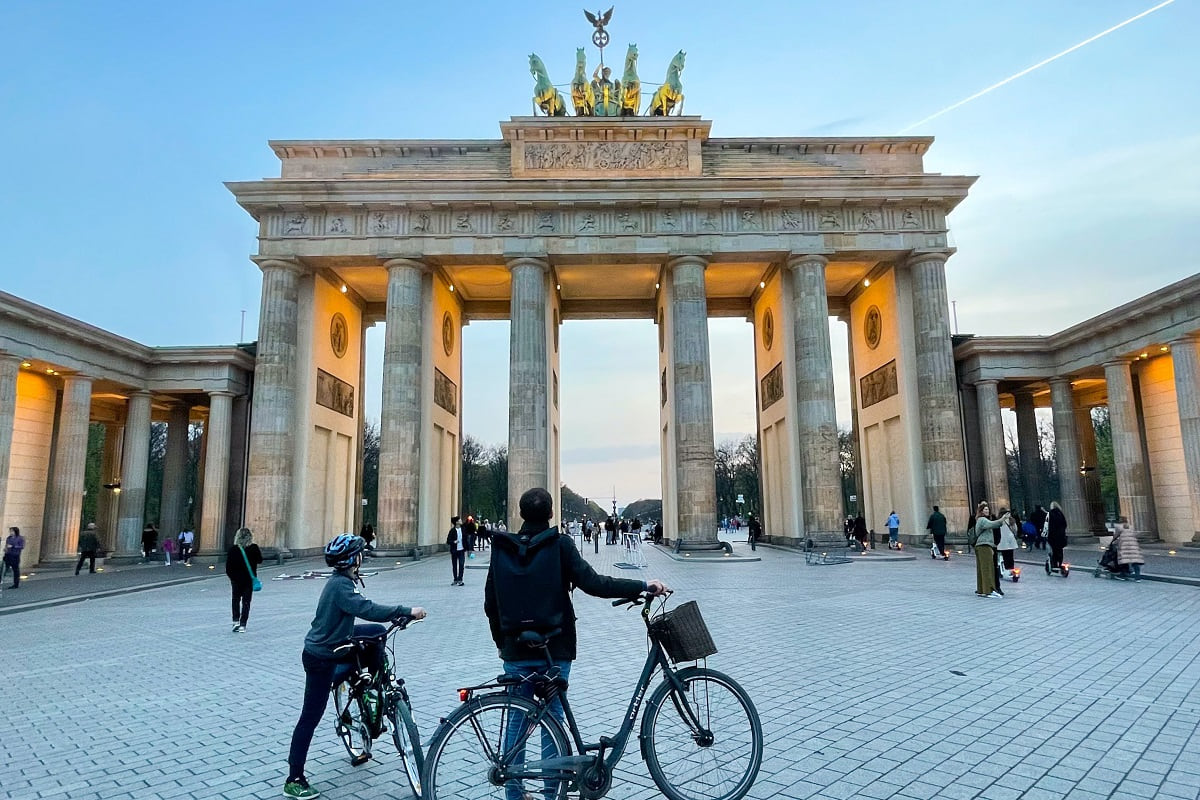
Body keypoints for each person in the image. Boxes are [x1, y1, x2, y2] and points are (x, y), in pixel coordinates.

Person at [484, 487, 668, 800]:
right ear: (551, 513)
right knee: (552, 722)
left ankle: (514, 794)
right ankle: (552, 793)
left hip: (515, 650)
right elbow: (595, 583)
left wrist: (503, 644)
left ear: (521, 513)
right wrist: (641, 584)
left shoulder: (503, 549)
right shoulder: (560, 545)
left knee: (516, 722)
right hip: (554, 649)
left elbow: (491, 603)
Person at [283, 533, 426, 799]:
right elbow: (367, 609)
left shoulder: (343, 581)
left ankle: (366, 683)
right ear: (353, 559)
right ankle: (294, 778)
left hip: (339, 643)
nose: (363, 557)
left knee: (376, 634)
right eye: (360, 554)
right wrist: (405, 610)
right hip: (321, 656)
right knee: (310, 717)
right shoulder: (340, 586)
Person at [226, 527, 263, 632]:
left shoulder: (233, 549)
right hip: (249, 579)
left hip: (236, 580)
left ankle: (235, 621)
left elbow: (228, 568)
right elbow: (260, 560)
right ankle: (243, 624)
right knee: (246, 602)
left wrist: (233, 578)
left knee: (235, 600)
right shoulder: (254, 548)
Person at [972, 502, 1008, 598]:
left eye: (988, 509)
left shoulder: (980, 520)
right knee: (988, 568)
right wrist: (1002, 519)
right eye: (985, 509)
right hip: (984, 545)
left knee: (982, 569)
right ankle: (989, 590)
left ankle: (982, 590)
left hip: (981, 546)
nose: (987, 511)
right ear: (981, 511)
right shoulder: (982, 520)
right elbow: (993, 524)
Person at [1113, 515, 1144, 580]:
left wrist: (1113, 542)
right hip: (1133, 545)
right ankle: (1138, 577)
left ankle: (1123, 574)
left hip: (1124, 546)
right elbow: (1134, 534)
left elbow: (1115, 536)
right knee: (1135, 560)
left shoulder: (1118, 527)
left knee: (1124, 560)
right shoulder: (1131, 527)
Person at [996, 508, 1019, 579]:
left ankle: (1004, 569)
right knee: (1010, 556)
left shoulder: (999, 521)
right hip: (1010, 540)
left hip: (1002, 541)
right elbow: (1015, 529)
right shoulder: (1011, 520)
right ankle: (1011, 569)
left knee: (1004, 556)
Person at [1047, 501, 1069, 572]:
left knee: (1054, 550)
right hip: (1061, 535)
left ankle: (1054, 565)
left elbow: (1048, 525)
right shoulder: (1061, 513)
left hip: (1053, 535)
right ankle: (1060, 564)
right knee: (1060, 550)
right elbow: (1065, 524)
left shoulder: (1050, 514)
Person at [446, 515, 467, 586]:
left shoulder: (463, 529)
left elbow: (465, 539)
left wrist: (467, 548)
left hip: (461, 550)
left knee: (461, 564)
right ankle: (455, 579)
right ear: (456, 522)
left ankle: (460, 579)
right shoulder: (452, 531)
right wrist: (454, 542)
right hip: (454, 550)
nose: (461, 521)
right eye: (459, 520)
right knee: (454, 565)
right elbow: (448, 541)